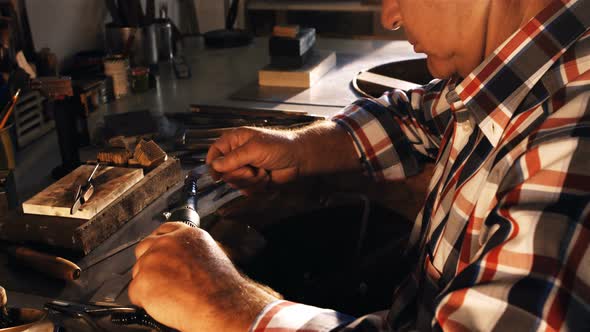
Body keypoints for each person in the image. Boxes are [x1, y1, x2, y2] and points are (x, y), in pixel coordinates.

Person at [128, 0, 590, 330]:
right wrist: (303, 148)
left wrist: (226, 303)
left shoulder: (571, 140)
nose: (390, 16)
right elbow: (422, 115)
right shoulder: (528, 70)